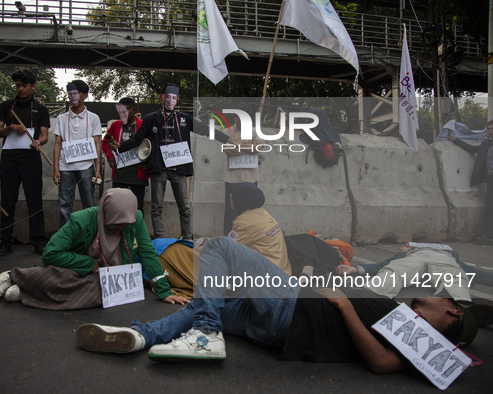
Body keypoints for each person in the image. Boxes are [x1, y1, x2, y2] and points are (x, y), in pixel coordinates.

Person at [75, 236, 478, 374]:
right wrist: (349, 279)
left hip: (292, 309)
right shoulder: (402, 314)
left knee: (218, 247)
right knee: (207, 305)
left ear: (454, 312)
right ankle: (138, 335)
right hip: (280, 331)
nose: (435, 292)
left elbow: (382, 364)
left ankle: (206, 334)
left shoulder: (419, 332)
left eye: (444, 297)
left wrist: (344, 305)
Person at [0, 188, 189, 309]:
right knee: (60, 276)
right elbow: (50, 254)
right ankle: (13, 276)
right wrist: (89, 263)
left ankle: (29, 291)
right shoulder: (81, 221)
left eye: (128, 223)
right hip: (82, 270)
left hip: (111, 277)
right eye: (118, 224)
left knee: (98, 293)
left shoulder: (136, 220)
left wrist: (163, 291)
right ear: (105, 215)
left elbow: (147, 254)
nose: (124, 228)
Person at [109, 83, 231, 240]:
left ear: (178, 100)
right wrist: (121, 146)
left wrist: (227, 139)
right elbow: (138, 138)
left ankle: (187, 239)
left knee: (184, 207)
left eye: (174, 98)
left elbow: (206, 130)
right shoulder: (151, 119)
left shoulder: (185, 119)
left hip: (179, 169)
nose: (170, 101)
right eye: (167, 97)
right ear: (162, 97)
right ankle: (159, 239)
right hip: (158, 169)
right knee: (156, 207)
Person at [0, 69, 50, 257]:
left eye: (24, 85)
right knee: (8, 201)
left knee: (35, 201)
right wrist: (10, 127)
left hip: (31, 159)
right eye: (18, 85)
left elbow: (44, 136)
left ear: (32, 86)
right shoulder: (7, 106)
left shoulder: (40, 109)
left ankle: (39, 241)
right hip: (9, 159)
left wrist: (38, 142)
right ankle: (5, 241)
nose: (21, 89)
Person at [336, 243, 493, 302]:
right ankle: (371, 292)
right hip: (415, 258)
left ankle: (458, 303)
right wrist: (355, 269)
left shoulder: (448, 252)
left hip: (443, 260)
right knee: (395, 269)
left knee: (454, 276)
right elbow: (386, 264)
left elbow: (473, 272)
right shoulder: (407, 253)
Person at [52, 80, 102, 227]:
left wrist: (97, 169)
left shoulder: (93, 118)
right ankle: (65, 239)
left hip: (86, 167)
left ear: (84, 95)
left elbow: (97, 143)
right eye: (70, 94)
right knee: (64, 204)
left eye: (75, 93)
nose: (72, 97)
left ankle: (90, 237)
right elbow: (57, 143)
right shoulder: (61, 118)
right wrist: (55, 168)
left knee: (89, 204)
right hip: (65, 167)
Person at [227, 182, 291, 275]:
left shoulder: (245, 222)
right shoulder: (262, 212)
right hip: (283, 271)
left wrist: (202, 247)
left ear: (242, 198)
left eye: (233, 195)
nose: (230, 197)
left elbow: (228, 248)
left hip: (267, 279)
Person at [449, 122, 493, 245]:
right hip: (491, 179)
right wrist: (456, 140)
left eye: (492, 129)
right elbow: (472, 149)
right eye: (489, 129)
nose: (490, 131)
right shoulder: (486, 144)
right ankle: (489, 234)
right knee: (490, 207)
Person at [102, 97, 148, 213]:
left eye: (124, 112)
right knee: (117, 205)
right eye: (120, 112)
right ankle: (118, 230)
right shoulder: (115, 125)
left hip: (138, 174)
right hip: (120, 173)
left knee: (138, 207)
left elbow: (149, 145)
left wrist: (147, 161)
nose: (122, 115)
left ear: (132, 110)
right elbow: (105, 142)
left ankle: (136, 230)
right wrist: (110, 158)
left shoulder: (143, 125)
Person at [222, 109, 261, 235]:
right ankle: (228, 241)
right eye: (237, 118)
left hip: (250, 178)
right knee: (230, 212)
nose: (239, 120)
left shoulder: (254, 130)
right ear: (234, 118)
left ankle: (249, 239)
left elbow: (258, 147)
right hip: (232, 178)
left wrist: (238, 146)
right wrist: (249, 146)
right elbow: (228, 151)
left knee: (251, 211)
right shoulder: (228, 132)